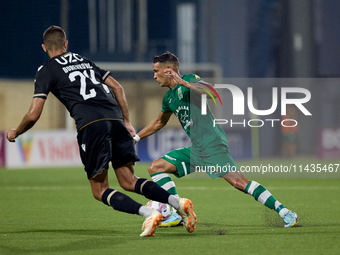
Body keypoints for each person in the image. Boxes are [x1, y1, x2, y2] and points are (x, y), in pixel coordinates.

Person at [6, 26, 197, 237]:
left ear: (44, 48)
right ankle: (177, 202)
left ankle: (149, 213)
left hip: (91, 124)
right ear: (66, 45)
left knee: (99, 190)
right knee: (129, 181)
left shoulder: (46, 70)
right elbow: (118, 88)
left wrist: (16, 131)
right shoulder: (84, 61)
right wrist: (126, 120)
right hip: (115, 119)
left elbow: (33, 114)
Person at [134, 51, 298, 228]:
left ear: (168, 71)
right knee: (156, 167)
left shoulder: (189, 79)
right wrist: (136, 137)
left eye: (156, 71)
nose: (154, 76)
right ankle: (175, 211)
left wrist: (183, 82)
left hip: (212, 144)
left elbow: (211, 91)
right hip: (197, 149)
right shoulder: (169, 98)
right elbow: (159, 121)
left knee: (239, 182)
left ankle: (285, 212)